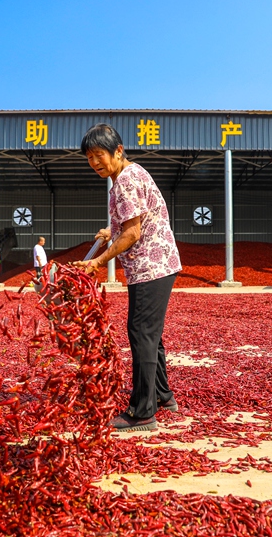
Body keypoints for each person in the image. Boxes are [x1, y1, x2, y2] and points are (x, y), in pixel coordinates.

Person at [72, 123, 182, 432]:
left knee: (141, 333)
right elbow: (131, 222)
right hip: (154, 265)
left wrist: (98, 262)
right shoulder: (130, 174)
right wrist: (110, 232)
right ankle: (162, 396)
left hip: (151, 265)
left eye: (99, 155)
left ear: (118, 151)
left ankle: (143, 412)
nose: (94, 163)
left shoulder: (125, 181)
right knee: (150, 334)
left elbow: (133, 233)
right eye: (89, 157)